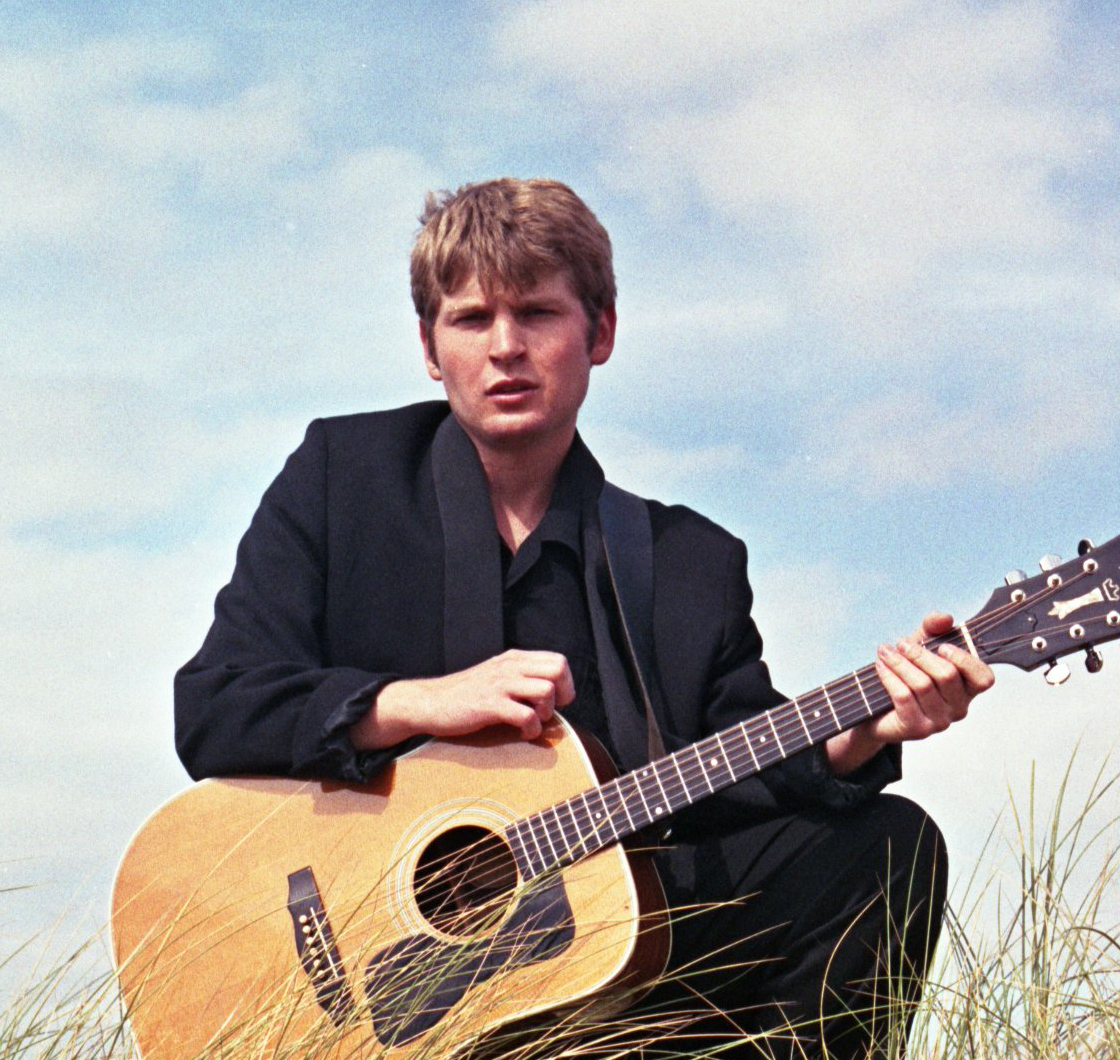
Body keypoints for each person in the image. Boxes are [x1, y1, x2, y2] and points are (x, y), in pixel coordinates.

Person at [175, 178, 994, 1059]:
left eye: (536, 314)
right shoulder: (345, 480)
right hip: (392, 998)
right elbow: (214, 708)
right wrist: (419, 703)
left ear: (598, 333)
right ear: (427, 345)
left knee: (884, 847)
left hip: (613, 967)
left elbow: (739, 764)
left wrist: (866, 727)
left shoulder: (686, 561)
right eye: (470, 319)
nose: (504, 349)